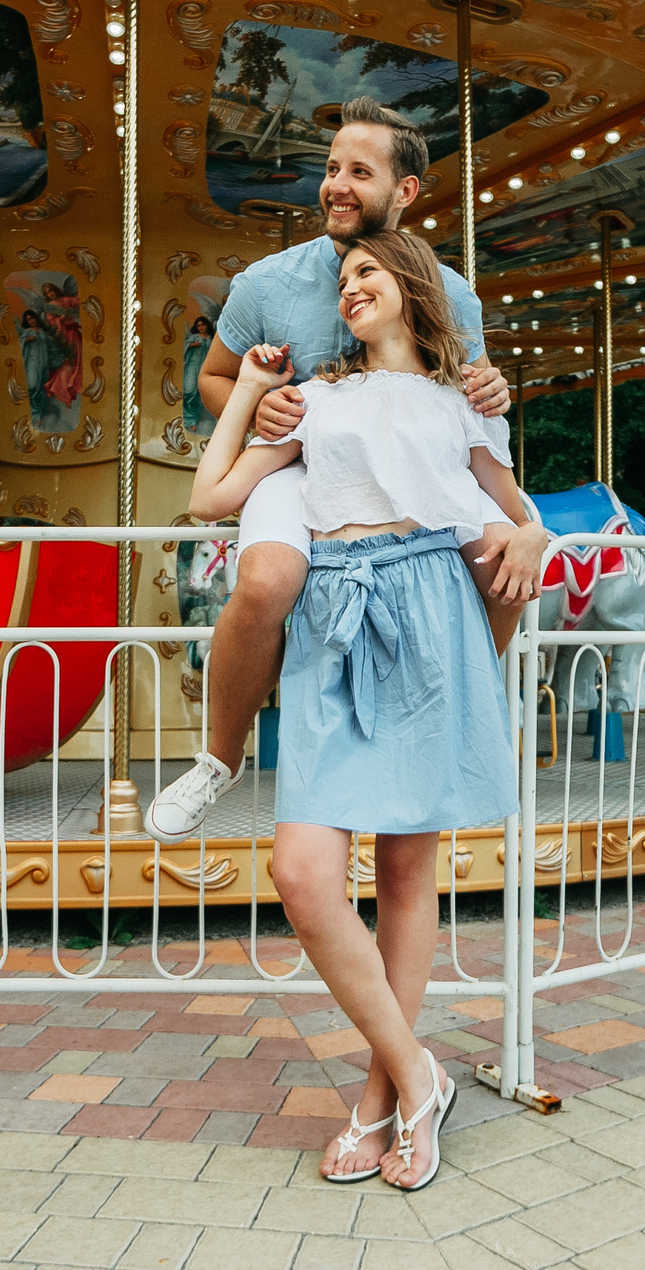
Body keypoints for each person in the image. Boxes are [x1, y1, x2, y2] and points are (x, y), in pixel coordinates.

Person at [189, 229, 542, 1190]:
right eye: (343, 279)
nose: (350, 288)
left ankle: (384, 1102)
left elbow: (517, 513)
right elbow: (212, 494)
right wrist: (256, 395)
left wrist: (536, 540)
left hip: (431, 607)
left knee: (403, 868)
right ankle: (424, 1073)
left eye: (368, 274)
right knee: (303, 871)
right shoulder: (324, 397)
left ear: (412, 287)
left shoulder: (460, 401)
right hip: (335, 611)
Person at [149, 98, 544, 843]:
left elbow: (469, 389)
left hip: (401, 460)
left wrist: (496, 391)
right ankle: (218, 760)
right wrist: (255, 405)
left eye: (358, 173)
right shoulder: (268, 282)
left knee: (503, 564)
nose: (335, 185)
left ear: (404, 191)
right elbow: (214, 379)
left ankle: (462, 711)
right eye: (331, 169)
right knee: (266, 580)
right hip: (299, 454)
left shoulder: (450, 289)